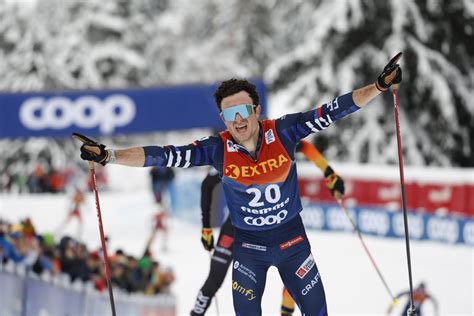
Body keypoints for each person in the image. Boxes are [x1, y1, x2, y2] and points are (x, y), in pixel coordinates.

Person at [75, 52, 402, 315]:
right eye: (230, 115)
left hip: (293, 245)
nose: (239, 120)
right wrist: (109, 155)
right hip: (248, 251)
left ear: (257, 109)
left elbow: (334, 110)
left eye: (245, 110)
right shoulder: (216, 149)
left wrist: (379, 87)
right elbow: (162, 155)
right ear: (222, 119)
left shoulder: (284, 131)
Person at [191, 140, 345, 316]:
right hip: (237, 228)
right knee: (214, 279)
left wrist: (329, 172)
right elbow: (207, 184)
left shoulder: (277, 141)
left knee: (296, 275)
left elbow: (305, 147)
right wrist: (206, 227)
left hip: (277, 228)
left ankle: (285, 313)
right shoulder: (231, 152)